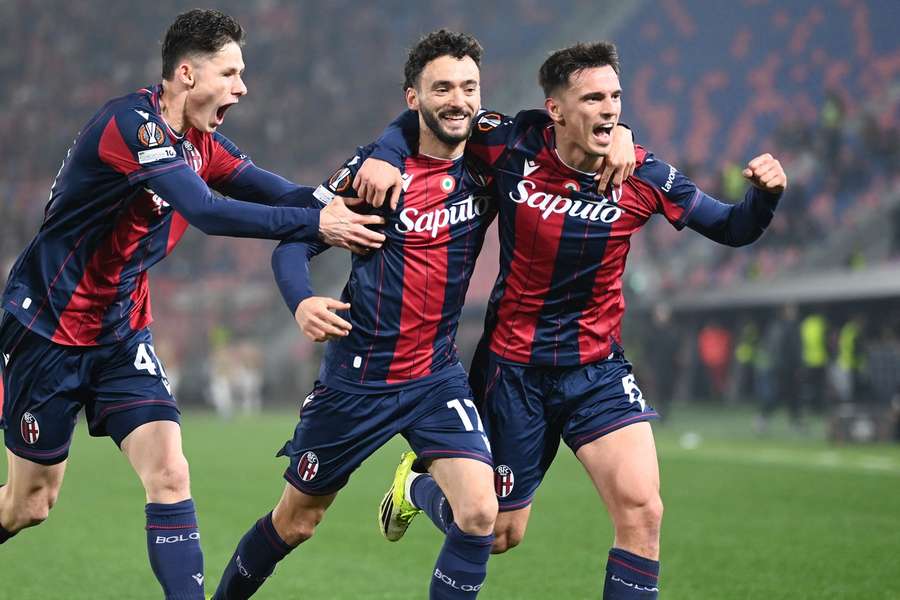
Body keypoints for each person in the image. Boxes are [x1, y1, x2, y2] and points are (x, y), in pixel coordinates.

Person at [360, 40, 787, 599]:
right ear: (556, 109)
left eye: (615, 97)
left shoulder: (644, 173)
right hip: (515, 371)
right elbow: (435, 117)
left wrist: (765, 197)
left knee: (643, 511)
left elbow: (733, 228)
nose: (609, 109)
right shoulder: (508, 143)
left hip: (597, 369)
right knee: (498, 533)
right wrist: (387, 154)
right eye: (592, 98)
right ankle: (417, 487)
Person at [0, 10, 383, 600]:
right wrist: (318, 220)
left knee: (171, 472)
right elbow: (205, 211)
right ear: (186, 73)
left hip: (120, 333)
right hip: (46, 329)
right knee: (29, 505)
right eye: (230, 73)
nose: (242, 87)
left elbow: (279, 191)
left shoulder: (203, 144)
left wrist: (351, 197)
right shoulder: (132, 125)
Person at [210, 30, 506, 600]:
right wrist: (302, 301)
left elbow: (560, 133)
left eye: (469, 87)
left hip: (435, 376)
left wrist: (619, 135)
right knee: (296, 522)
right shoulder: (373, 176)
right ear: (413, 97)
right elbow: (295, 242)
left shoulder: (489, 160)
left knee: (479, 514)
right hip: (358, 379)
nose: (458, 100)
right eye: (441, 87)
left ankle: (414, 488)